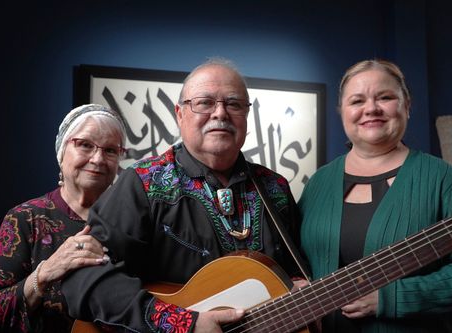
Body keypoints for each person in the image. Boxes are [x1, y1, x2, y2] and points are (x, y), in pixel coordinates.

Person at [62, 58, 308, 333]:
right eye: (205, 102)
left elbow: (294, 271)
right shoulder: (142, 183)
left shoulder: (275, 188)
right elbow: (83, 277)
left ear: (247, 116)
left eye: (234, 104)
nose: (220, 114)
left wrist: (299, 286)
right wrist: (182, 324)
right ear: (180, 114)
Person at [298, 59, 452, 333]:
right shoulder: (319, 183)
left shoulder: (442, 178)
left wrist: (393, 298)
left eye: (385, 97)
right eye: (357, 101)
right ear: (342, 112)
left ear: (407, 105)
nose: (371, 109)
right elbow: (298, 260)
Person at [0, 104, 127, 332]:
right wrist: (44, 274)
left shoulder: (132, 221)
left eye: (110, 150)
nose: (98, 159)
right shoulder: (25, 218)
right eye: (85, 145)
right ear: (61, 152)